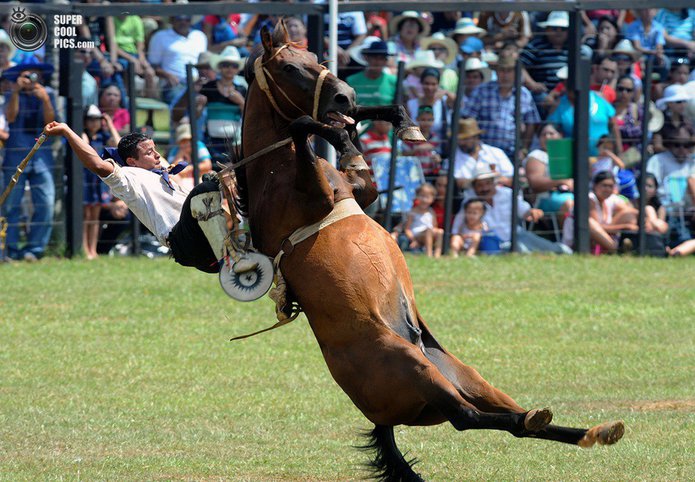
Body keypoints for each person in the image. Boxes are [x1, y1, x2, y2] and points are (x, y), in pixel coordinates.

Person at [43, 121, 243, 275]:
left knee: (226, 178)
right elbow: (96, 164)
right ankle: (229, 254)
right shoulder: (129, 179)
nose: (156, 155)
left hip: (203, 246)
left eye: (155, 149)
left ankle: (244, 243)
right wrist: (67, 132)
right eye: (149, 152)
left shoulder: (161, 170)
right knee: (205, 188)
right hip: (185, 242)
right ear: (132, 161)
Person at [1, 62, 57, 261]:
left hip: (42, 156)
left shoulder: (47, 93)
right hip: (15, 154)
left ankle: (35, 249)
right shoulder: (11, 94)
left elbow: (51, 124)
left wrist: (44, 100)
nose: (31, 79)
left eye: (34, 75)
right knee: (11, 204)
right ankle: (11, 249)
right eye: (27, 75)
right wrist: (16, 91)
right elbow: (10, 117)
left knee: (46, 203)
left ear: (41, 77)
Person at [465, 162, 570, 254]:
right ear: (474, 187)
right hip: (489, 243)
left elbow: (524, 210)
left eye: (487, 183)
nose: (485, 188)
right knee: (524, 252)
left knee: (554, 250)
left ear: (493, 182)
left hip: (517, 235)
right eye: (480, 185)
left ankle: (566, 251)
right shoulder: (469, 201)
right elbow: (462, 226)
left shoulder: (507, 193)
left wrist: (532, 212)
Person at [461, 52, 540, 160]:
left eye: (509, 71)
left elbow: (531, 123)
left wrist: (524, 149)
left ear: (516, 73)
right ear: (496, 72)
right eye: (502, 70)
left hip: (512, 152)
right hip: (484, 151)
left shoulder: (524, 94)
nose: (505, 75)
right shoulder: (482, 90)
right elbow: (467, 118)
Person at [82, 105, 120, 260]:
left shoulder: (104, 137)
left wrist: (110, 124)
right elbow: (84, 147)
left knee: (95, 216)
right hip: (85, 180)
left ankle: (93, 250)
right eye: (90, 119)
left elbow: (118, 144)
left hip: (98, 181)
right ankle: (85, 249)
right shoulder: (84, 136)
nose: (94, 123)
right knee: (86, 215)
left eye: (97, 119)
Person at [148, 16, 208, 105]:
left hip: (196, 83)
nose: (183, 22)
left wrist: (202, 79)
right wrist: (168, 75)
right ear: (172, 20)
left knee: (205, 101)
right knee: (178, 108)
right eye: (179, 19)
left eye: (187, 19)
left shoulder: (200, 36)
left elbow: (204, 63)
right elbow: (153, 65)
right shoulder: (160, 36)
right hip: (174, 85)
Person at [520, 11, 570, 103]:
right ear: (547, 29)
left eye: (563, 29)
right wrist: (532, 84)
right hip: (543, 94)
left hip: (567, 93)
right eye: (554, 28)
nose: (559, 32)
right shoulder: (535, 46)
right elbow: (520, 66)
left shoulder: (573, 48)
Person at [523, 123, 574, 214]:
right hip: (547, 197)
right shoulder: (537, 156)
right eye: (543, 135)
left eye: (551, 133)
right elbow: (535, 183)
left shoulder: (569, 154)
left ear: (561, 135)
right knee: (570, 204)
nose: (547, 137)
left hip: (572, 193)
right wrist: (562, 180)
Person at [452, 118, 514, 190]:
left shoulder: (496, 153)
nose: (461, 143)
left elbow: (511, 178)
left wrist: (493, 179)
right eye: (459, 139)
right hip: (471, 198)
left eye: (465, 139)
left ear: (476, 137)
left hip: (501, 195)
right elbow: (458, 183)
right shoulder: (452, 159)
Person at [346, 40, 397, 106]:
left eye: (381, 58)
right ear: (367, 58)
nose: (378, 62)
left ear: (385, 61)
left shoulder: (394, 81)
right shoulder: (351, 81)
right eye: (374, 57)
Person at [167, 123, 213, 191]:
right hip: (182, 179)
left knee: (211, 175)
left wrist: (189, 168)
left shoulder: (199, 146)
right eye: (183, 141)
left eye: (189, 140)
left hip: (199, 176)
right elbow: (171, 169)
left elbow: (207, 165)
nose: (187, 143)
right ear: (178, 142)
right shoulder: (175, 150)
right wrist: (180, 155)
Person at [401, 105, 443, 179]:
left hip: (431, 175)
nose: (426, 123)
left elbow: (439, 155)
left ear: (433, 120)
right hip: (414, 175)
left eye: (429, 120)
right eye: (423, 120)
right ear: (417, 119)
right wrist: (417, 149)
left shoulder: (436, 138)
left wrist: (437, 159)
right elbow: (403, 155)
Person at [403, 182, 443, 258]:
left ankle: (437, 254)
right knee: (429, 230)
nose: (424, 200)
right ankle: (429, 254)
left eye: (427, 197)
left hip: (429, 232)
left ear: (432, 199)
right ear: (417, 196)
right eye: (422, 196)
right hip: (417, 234)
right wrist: (413, 240)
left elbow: (435, 226)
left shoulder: (431, 212)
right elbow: (407, 229)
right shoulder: (413, 212)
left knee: (440, 231)